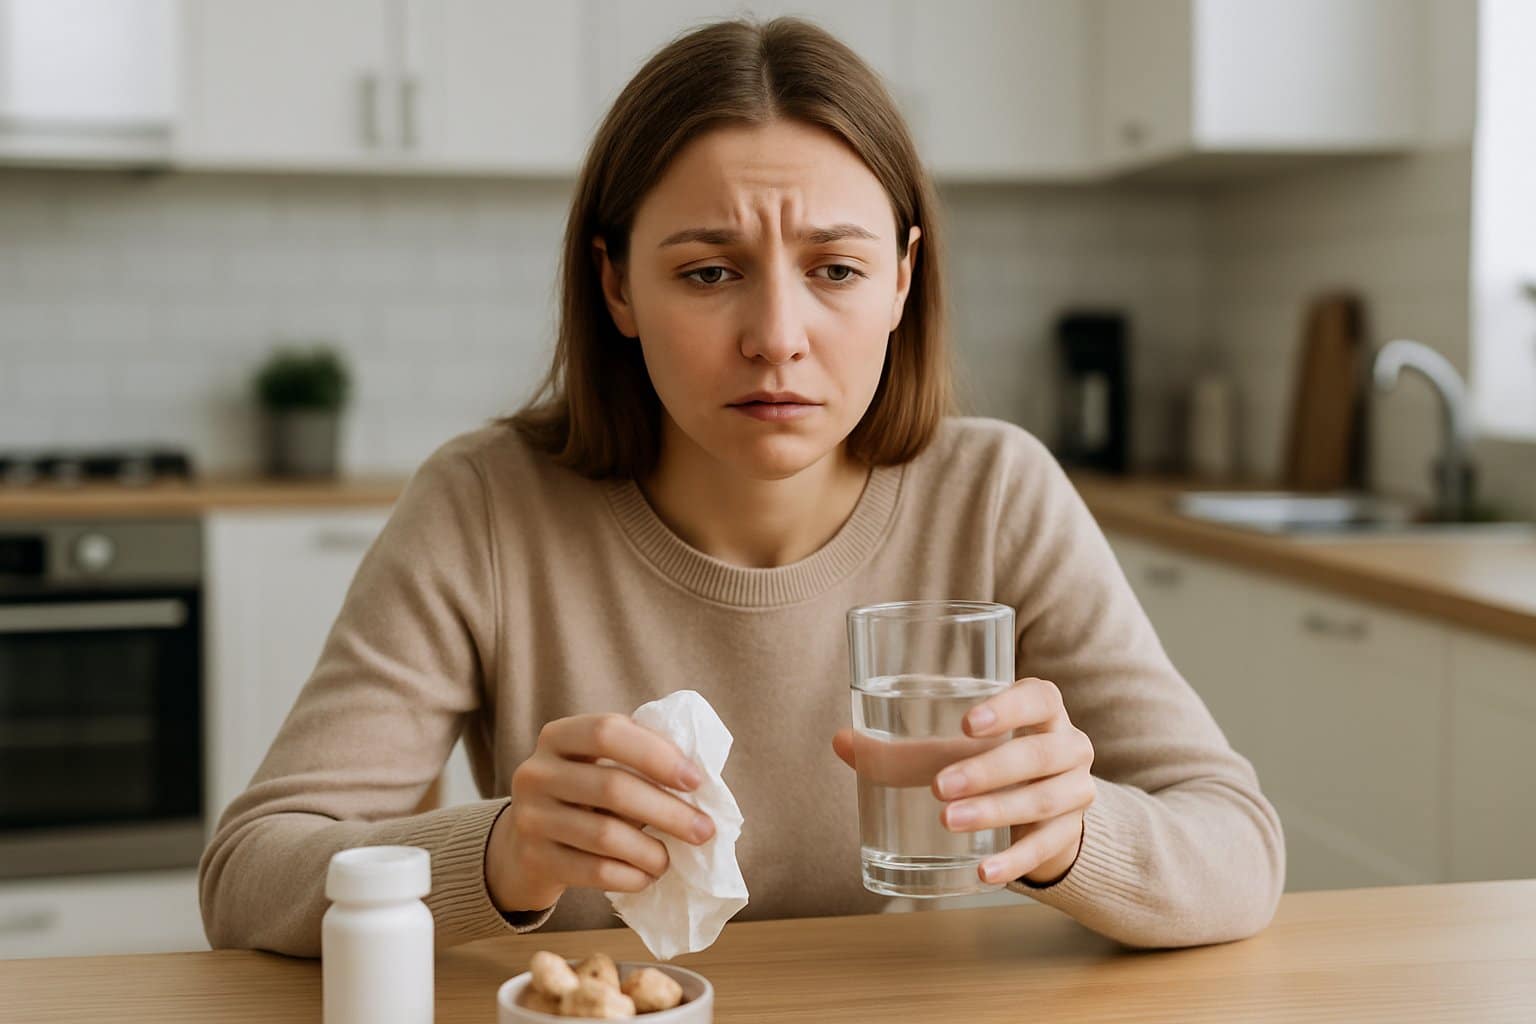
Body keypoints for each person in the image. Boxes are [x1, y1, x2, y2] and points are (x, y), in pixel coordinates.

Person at [199, 17, 1283, 959]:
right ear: (617, 283)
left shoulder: (997, 491)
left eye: (837, 269)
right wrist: (499, 853)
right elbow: (250, 873)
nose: (776, 339)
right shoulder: (485, 506)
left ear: (904, 279)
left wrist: (1075, 828)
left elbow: (1240, 849)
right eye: (708, 272)